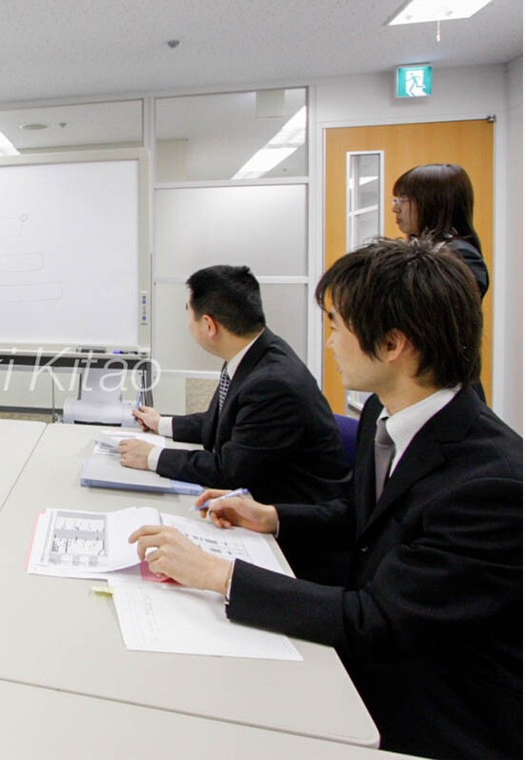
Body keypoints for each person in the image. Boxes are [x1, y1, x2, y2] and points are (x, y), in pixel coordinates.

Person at [129, 238, 522, 760]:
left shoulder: (490, 484)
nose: (329, 341)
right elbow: (358, 516)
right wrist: (270, 517)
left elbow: (378, 622)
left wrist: (217, 574)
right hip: (366, 650)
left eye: (337, 323)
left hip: (427, 709)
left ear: (392, 345)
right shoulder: (384, 415)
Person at [119, 265, 349, 505]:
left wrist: (152, 456)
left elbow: (229, 472)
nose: (188, 324)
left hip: (294, 522)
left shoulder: (271, 384)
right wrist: (161, 423)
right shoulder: (255, 354)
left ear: (209, 325)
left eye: (189, 314)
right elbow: (221, 422)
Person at [392, 163, 488, 298]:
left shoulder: (460, 255)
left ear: (433, 203)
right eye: (395, 200)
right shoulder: (417, 248)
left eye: (403, 200)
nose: (395, 209)